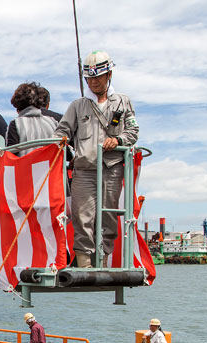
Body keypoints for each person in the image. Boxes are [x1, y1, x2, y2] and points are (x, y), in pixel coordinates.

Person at [53, 50, 139, 268]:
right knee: (83, 216)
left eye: (98, 77)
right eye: (89, 78)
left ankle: (103, 259)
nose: (93, 82)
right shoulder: (77, 105)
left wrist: (117, 140)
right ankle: (84, 263)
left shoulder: (122, 102)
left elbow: (133, 132)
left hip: (111, 167)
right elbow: (61, 132)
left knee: (109, 215)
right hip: (84, 168)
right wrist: (63, 143)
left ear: (108, 75)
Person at [6, 82, 58, 156]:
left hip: (26, 167)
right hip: (51, 166)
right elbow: (66, 152)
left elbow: (11, 155)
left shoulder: (16, 124)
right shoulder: (52, 122)